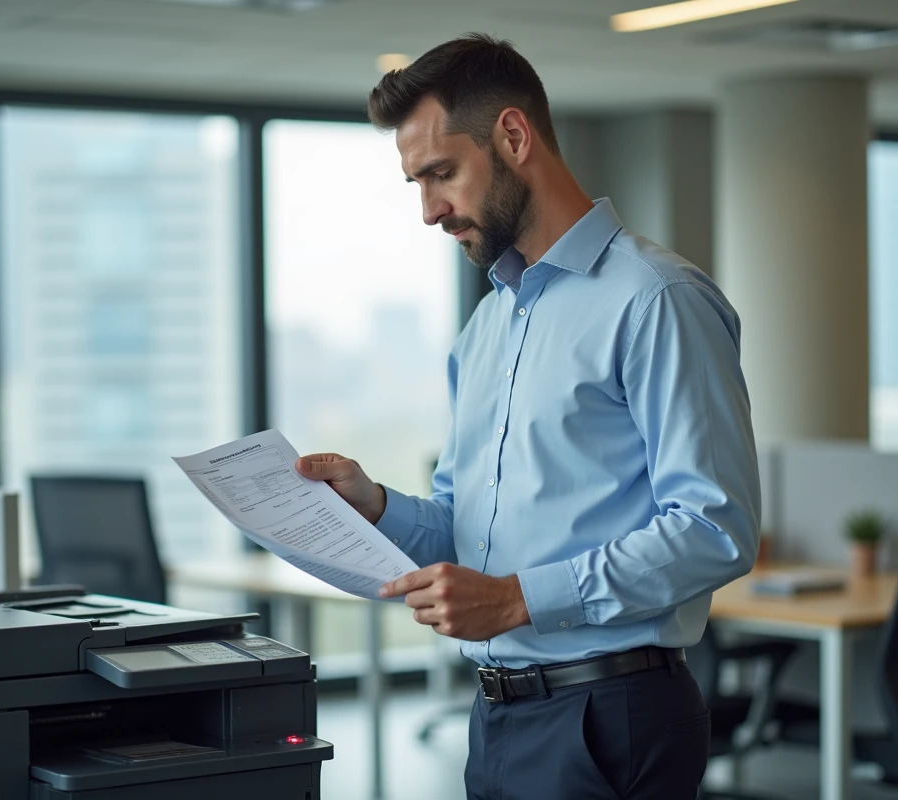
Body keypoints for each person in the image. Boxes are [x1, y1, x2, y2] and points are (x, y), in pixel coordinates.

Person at [296, 33, 760, 800]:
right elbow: (464, 524)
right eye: (415, 183)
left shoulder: (656, 301)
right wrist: (373, 506)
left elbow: (716, 528)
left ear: (513, 137)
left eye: (442, 173)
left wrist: (517, 599)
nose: (429, 211)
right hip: (498, 718)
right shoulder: (486, 330)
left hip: (612, 713)